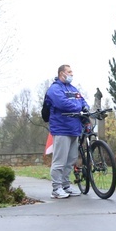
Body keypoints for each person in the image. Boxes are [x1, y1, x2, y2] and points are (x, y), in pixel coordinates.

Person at [45, 64, 89, 199]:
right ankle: (56, 188)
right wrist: (79, 108)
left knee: (71, 160)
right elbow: (63, 104)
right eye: (69, 72)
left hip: (74, 129)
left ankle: (66, 185)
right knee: (59, 161)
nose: (71, 74)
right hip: (61, 129)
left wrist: (85, 108)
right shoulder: (54, 89)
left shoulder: (73, 89)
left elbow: (82, 100)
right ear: (61, 73)